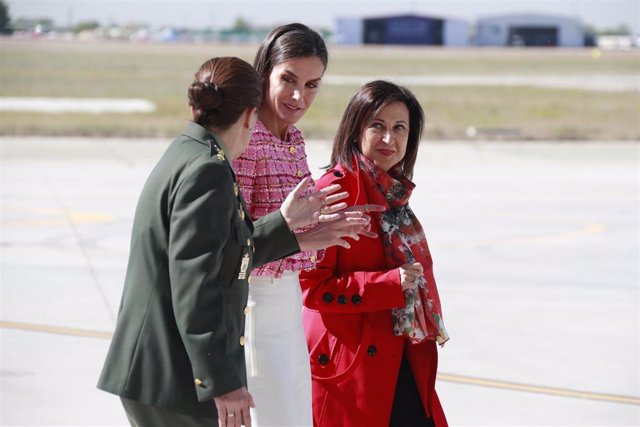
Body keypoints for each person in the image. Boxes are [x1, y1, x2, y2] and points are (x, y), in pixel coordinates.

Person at [97, 56, 370, 427]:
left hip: (156, 374)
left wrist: (289, 231)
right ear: (248, 115)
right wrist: (223, 383)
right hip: (172, 378)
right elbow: (196, 286)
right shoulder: (208, 170)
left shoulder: (187, 151)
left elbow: (219, 251)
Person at [231, 23, 385, 427]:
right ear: (264, 70)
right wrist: (309, 235)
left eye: (313, 84)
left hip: (287, 305)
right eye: (288, 80)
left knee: (295, 415)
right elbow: (235, 242)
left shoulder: (293, 138)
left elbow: (288, 225)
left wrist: (324, 226)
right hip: (253, 306)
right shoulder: (247, 138)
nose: (300, 97)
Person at [300, 80, 451, 427]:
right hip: (352, 367)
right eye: (377, 126)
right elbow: (313, 288)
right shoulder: (335, 192)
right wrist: (389, 284)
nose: (389, 139)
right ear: (355, 130)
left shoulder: (393, 194)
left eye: (400, 128)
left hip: (399, 355)